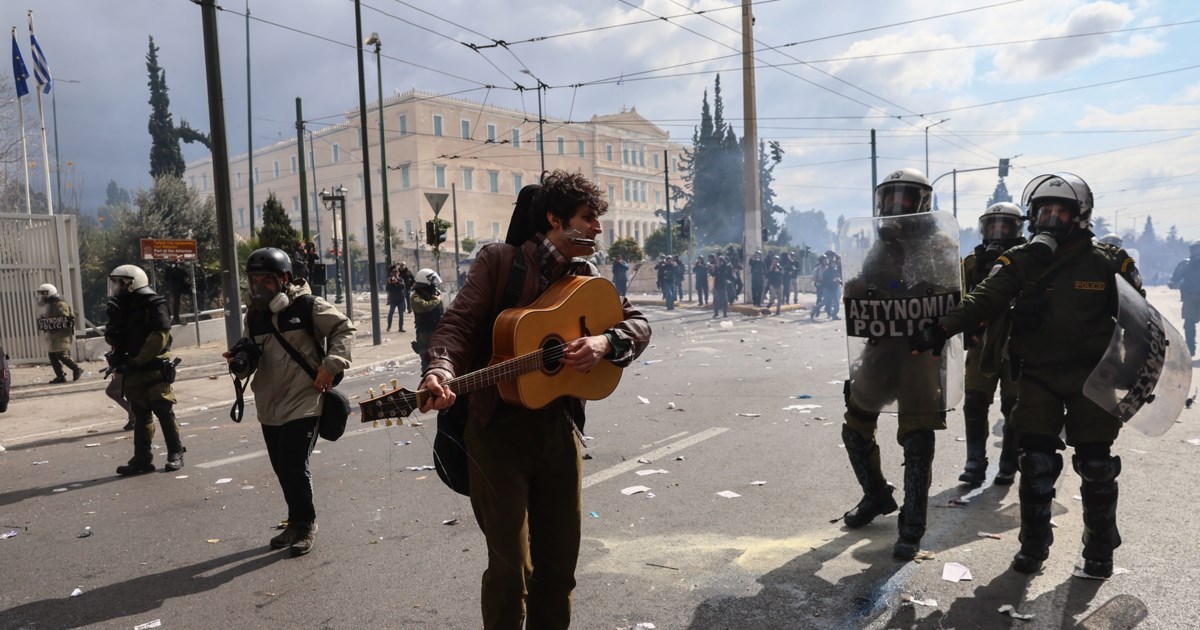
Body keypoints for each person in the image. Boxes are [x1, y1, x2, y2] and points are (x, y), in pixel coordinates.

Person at [418, 170, 651, 629]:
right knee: (510, 572)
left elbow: (638, 322)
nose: (599, 229)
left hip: (558, 433)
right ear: (555, 219)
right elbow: (458, 324)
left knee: (559, 572)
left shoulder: (587, 278)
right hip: (497, 433)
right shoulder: (500, 262)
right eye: (589, 218)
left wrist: (606, 343)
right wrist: (440, 370)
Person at [912, 172, 1142, 579]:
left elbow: (1141, 319)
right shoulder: (1020, 260)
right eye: (1044, 210)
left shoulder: (1107, 261)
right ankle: (1034, 548)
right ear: (1033, 216)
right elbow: (984, 297)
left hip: (1093, 379)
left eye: (1061, 210)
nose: (1051, 218)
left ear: (1080, 216)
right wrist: (943, 327)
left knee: (1097, 466)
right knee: (1035, 463)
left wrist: (1134, 369)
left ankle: (1100, 549)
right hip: (1037, 377)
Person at [839, 168, 959, 560]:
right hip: (880, 347)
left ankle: (912, 526)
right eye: (890, 199)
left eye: (905, 199)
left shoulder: (938, 245)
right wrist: (856, 290)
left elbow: (949, 294)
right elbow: (863, 285)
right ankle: (875, 496)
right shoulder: (879, 247)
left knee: (917, 436)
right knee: (856, 424)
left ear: (921, 203)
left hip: (920, 353)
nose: (896, 207)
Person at [226, 247, 355, 556]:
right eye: (254, 280)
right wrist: (240, 359)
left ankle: (307, 525)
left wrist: (332, 365)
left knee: (293, 464)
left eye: (266, 281)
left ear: (283, 279)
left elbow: (344, 328)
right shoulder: (255, 315)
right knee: (281, 468)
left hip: (305, 399)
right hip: (270, 405)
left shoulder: (308, 306)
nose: (259, 287)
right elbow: (249, 349)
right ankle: (295, 523)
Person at [957, 202, 1026, 486]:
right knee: (974, 401)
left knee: (1014, 405)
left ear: (1016, 229)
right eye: (992, 226)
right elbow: (958, 298)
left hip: (1016, 342)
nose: (997, 232)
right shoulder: (972, 263)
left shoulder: (1028, 260)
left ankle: (1009, 461)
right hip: (981, 341)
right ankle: (975, 461)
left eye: (1004, 226)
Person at [105, 265, 184, 475]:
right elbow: (116, 338)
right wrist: (112, 326)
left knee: (163, 410)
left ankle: (176, 453)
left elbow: (159, 337)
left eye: (120, 283)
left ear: (132, 282)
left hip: (153, 366)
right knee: (140, 414)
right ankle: (142, 459)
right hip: (133, 367)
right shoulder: (122, 306)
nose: (117, 288)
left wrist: (138, 360)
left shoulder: (154, 303)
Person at [36, 284, 82, 384]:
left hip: (62, 333)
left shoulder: (60, 304)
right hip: (53, 333)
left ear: (49, 293)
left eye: (43, 294)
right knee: (52, 354)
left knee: (61, 353)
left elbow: (63, 319)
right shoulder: (51, 305)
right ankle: (60, 376)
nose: (42, 297)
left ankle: (77, 369)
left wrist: (50, 321)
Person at [1168, 241, 1200, 356]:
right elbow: (1174, 279)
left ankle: (1190, 350)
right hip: (1190, 298)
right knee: (1189, 325)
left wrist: (1173, 283)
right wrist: (1172, 283)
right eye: (1196, 249)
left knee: (1189, 324)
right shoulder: (1185, 264)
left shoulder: (1185, 264)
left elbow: (1174, 279)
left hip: (1190, 298)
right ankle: (1190, 349)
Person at [410, 268, 445, 372]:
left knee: (440, 361)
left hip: (437, 330)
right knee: (426, 364)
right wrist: (436, 301)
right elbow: (424, 307)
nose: (434, 283)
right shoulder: (416, 297)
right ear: (425, 281)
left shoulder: (434, 293)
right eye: (432, 280)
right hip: (425, 333)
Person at [386, 265, 409, 332]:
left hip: (400, 299)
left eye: (396, 273)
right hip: (393, 299)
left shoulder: (400, 279)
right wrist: (390, 283)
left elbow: (403, 286)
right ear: (392, 273)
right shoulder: (389, 280)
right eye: (394, 273)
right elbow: (387, 289)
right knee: (391, 313)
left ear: (398, 273)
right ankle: (389, 326)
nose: (395, 274)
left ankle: (400, 327)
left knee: (401, 314)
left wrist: (397, 282)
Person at [822, 251, 843, 319]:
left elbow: (839, 275)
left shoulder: (837, 267)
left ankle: (834, 314)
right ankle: (818, 310)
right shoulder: (827, 269)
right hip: (829, 288)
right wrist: (832, 280)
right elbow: (825, 280)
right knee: (826, 302)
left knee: (836, 302)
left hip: (836, 286)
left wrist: (840, 281)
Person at [810, 255, 829, 320]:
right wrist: (819, 280)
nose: (826, 261)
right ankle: (816, 311)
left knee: (827, 299)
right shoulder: (817, 269)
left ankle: (829, 312)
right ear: (821, 261)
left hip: (826, 286)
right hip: (820, 285)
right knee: (819, 298)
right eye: (824, 260)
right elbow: (813, 278)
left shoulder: (828, 268)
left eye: (826, 260)